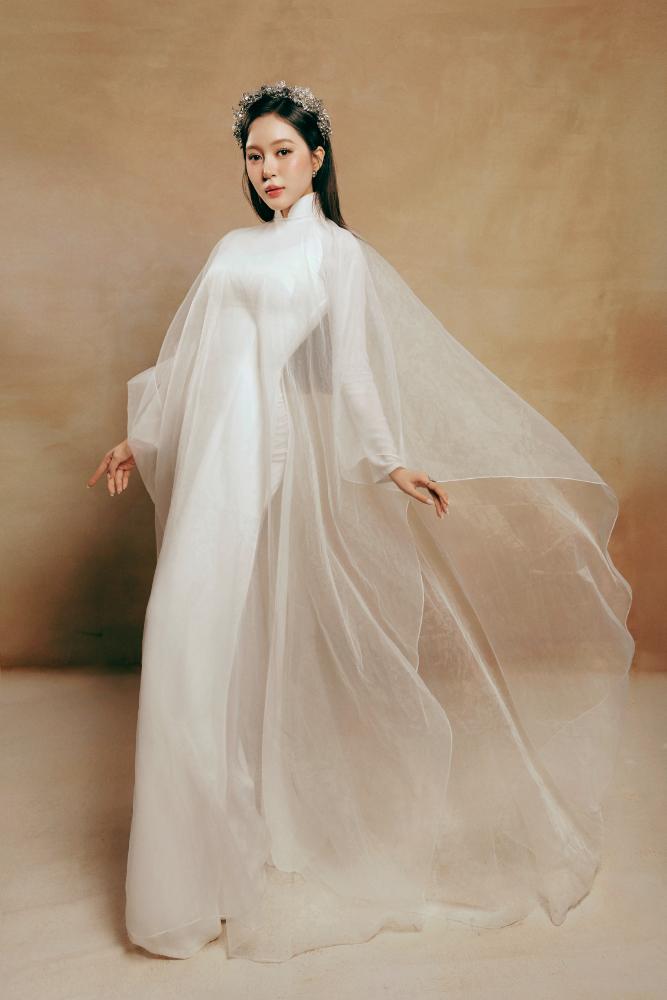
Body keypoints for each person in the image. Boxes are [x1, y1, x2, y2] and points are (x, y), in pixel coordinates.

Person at [87, 81, 635, 963]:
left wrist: (387, 459)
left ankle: (218, 867)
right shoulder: (232, 249)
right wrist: (139, 436)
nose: (267, 170)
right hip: (207, 460)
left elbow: (348, 374)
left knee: (224, 640)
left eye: (283, 152)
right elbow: (188, 361)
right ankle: (194, 875)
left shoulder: (334, 254)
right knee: (188, 640)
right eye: (254, 156)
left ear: (317, 157)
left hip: (256, 458)